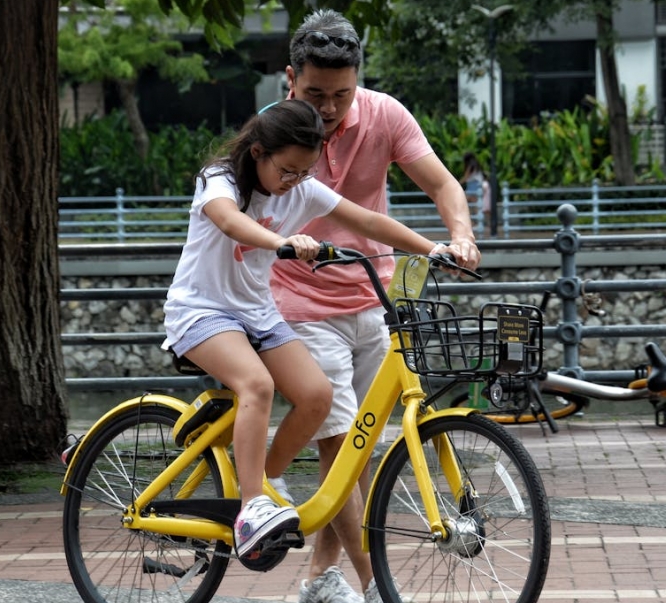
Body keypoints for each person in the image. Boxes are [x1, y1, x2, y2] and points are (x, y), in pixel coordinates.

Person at [161, 99, 451, 564]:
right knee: (257, 384)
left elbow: (369, 221)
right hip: (201, 310)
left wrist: (434, 248)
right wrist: (282, 242)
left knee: (317, 396)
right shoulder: (220, 179)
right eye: (288, 171)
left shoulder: (303, 189)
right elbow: (228, 220)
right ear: (258, 152)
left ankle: (266, 480)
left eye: (304, 172)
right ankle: (251, 508)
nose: (294, 182)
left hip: (256, 312)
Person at [266, 9, 481, 603]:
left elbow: (442, 183)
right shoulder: (274, 130)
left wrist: (459, 236)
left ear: (358, 81)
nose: (329, 108)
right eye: (315, 95)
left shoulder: (385, 115)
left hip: (373, 299)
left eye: (341, 94)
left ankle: (317, 581)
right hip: (298, 304)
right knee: (341, 443)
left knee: (357, 453)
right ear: (290, 79)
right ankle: (376, 584)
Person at [459, 152, 492, 237]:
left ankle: (475, 223)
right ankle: (477, 223)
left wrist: (457, 183)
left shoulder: (470, 165)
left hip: (473, 186)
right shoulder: (476, 164)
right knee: (475, 205)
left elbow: (466, 177)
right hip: (476, 185)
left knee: (462, 203)